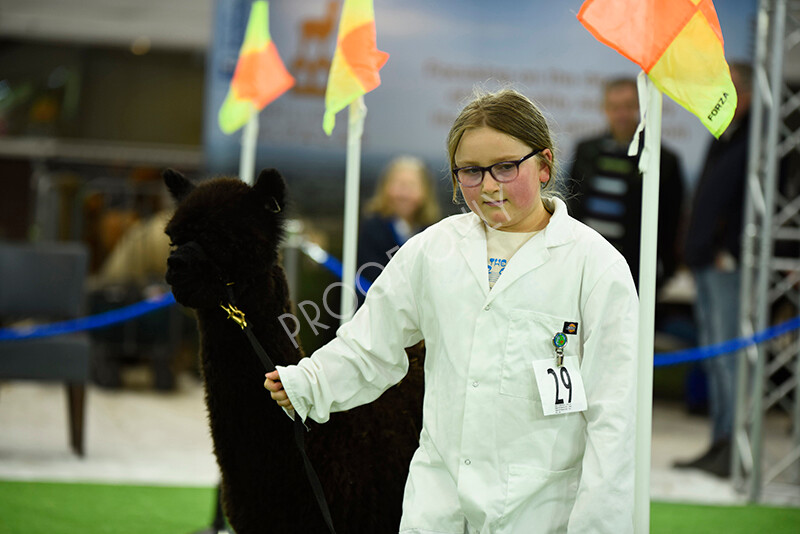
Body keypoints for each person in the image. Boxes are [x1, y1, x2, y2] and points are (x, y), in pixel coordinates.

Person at [265, 88, 639, 533]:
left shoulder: (595, 267)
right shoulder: (432, 250)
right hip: (438, 503)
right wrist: (310, 381)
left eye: (505, 166)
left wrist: (598, 524)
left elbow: (613, 415)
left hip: (543, 511)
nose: (490, 186)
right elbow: (370, 343)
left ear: (544, 164)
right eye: (471, 171)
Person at [673, 62, 753, 478]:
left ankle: (732, 446)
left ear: (751, 91)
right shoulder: (727, 133)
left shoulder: (758, 137)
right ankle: (720, 442)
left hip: (727, 264)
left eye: (729, 86)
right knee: (714, 355)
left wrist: (731, 250)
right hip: (706, 261)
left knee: (727, 357)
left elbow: (759, 201)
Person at [569, 77, 685, 290]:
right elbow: (572, 206)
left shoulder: (663, 159)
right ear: (605, 109)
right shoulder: (585, 151)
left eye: (628, 106)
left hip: (636, 268)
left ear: (640, 107)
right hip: (586, 262)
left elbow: (672, 221)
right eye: (614, 107)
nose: (621, 114)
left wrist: (665, 268)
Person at [357, 155, 441, 290]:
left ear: (425, 192)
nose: (404, 194)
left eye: (412, 186)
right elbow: (371, 277)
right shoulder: (372, 229)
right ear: (384, 188)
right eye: (399, 185)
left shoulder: (432, 232)